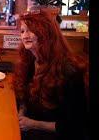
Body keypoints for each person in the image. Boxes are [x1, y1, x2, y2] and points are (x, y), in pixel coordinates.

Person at [13, 11, 89, 140]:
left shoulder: (68, 70)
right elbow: (25, 97)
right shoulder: (30, 61)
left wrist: (33, 124)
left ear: (46, 33)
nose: (25, 36)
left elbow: (75, 126)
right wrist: (21, 112)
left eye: (31, 30)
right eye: (22, 31)